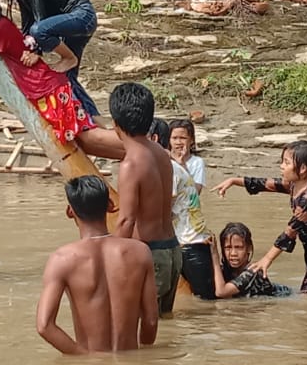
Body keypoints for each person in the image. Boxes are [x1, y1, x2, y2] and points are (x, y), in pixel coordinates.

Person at [0, 0, 120, 158]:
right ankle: (139, 151)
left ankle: (142, 145)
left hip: (48, 90)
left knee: (88, 136)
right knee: (82, 141)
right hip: (45, 90)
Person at [0, 0, 103, 128]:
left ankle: (69, 58)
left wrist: (36, 52)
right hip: (71, 26)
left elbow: (40, 20)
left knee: (39, 30)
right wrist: (22, 49)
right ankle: (96, 121)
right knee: (67, 78)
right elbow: (27, 25)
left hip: (83, 16)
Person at [36, 175, 158, 354]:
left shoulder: (61, 259)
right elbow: (151, 321)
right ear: (110, 205)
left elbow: (44, 326)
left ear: (70, 211)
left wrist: (86, 358)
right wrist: (141, 356)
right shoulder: (140, 252)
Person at [212, 140, 307, 293]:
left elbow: (289, 233)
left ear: (302, 168)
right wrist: (234, 181)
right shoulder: (295, 184)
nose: (281, 166)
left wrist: (266, 259)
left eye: (286, 162)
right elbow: (266, 184)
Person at [110, 83, 182, 314]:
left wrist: (110, 260)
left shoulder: (131, 164)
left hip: (150, 254)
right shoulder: (161, 153)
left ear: (115, 124)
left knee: (141, 326)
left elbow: (126, 221)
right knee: (163, 325)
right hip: (172, 250)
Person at [164, 121, 211, 298]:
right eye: (174, 138)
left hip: (190, 232)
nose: (178, 142)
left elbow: (195, 192)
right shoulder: (166, 163)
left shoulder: (196, 162)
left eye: (183, 137)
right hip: (178, 233)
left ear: (191, 140)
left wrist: (181, 165)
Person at [208, 222, 293, 298]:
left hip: (285, 295)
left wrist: (214, 255)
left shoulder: (253, 271)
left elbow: (221, 292)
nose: (233, 253)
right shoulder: (225, 270)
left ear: (249, 248)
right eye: (228, 248)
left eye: (239, 248)